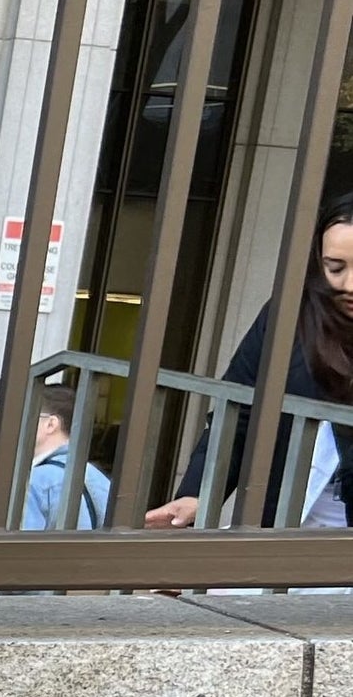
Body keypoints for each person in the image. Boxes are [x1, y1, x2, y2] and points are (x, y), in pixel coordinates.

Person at [147, 193, 353, 529]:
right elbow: (238, 411)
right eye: (335, 267)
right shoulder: (288, 316)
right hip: (284, 520)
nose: (348, 285)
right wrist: (198, 493)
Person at [21, 383, 110, 529]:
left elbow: (18, 549)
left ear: (51, 424)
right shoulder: (99, 478)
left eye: (27, 415)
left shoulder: (36, 480)